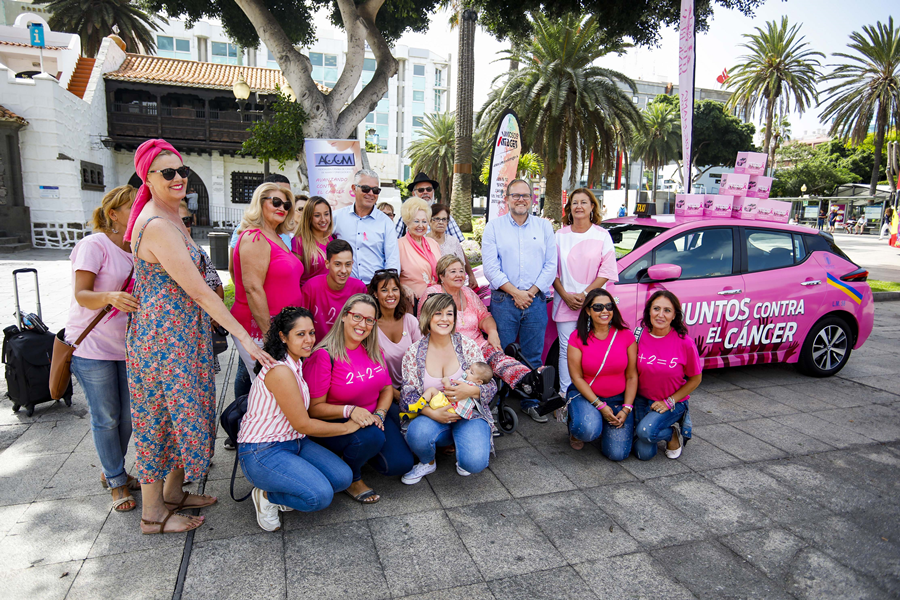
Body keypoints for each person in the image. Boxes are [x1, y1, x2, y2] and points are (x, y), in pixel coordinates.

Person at [125, 138, 274, 534]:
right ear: (148, 178)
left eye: (182, 170)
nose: (179, 178)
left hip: (184, 336)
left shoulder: (172, 215)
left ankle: (173, 493)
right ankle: (152, 514)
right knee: (160, 418)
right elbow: (199, 291)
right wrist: (244, 336)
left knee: (185, 414)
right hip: (164, 340)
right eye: (168, 173)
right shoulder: (156, 224)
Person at [238, 307, 354, 531]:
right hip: (262, 450)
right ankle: (267, 496)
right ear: (283, 336)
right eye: (300, 334)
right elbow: (303, 424)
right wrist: (348, 427)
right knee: (318, 497)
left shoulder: (296, 362)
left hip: (294, 441)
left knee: (342, 478)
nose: (309, 340)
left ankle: (287, 486)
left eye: (311, 333)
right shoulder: (280, 370)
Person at [66, 185, 139, 513]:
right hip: (92, 346)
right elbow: (82, 294)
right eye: (131, 207)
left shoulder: (137, 248)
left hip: (127, 347)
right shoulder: (93, 245)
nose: (137, 211)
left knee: (128, 418)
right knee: (107, 417)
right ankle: (116, 479)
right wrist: (109, 296)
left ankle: (114, 468)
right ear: (114, 214)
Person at [303, 294, 415, 503]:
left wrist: (380, 413)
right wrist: (350, 411)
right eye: (357, 317)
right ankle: (352, 477)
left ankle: (361, 451)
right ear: (344, 316)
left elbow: (386, 388)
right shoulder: (324, 356)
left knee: (400, 465)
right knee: (373, 437)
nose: (363, 324)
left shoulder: (372, 349)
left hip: (373, 416)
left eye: (369, 320)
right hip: (338, 420)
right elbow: (313, 409)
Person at [420, 255, 555, 406]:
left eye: (461, 271)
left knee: (498, 356)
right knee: (484, 365)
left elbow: (484, 316)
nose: (459, 275)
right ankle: (525, 383)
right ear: (441, 276)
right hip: (449, 348)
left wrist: (492, 332)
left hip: (477, 344)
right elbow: (425, 325)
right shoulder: (433, 293)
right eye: (453, 271)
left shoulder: (468, 293)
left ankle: (529, 380)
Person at [481, 178, 558, 423]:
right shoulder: (493, 228)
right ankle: (495, 402)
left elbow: (550, 266)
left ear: (532, 199)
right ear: (507, 199)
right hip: (504, 300)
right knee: (499, 353)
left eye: (525, 195)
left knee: (533, 354)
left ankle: (531, 401)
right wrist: (516, 293)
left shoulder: (544, 227)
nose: (521, 199)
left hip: (535, 301)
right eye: (516, 195)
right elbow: (491, 268)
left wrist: (531, 292)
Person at [401, 294, 498, 483]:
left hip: (469, 415)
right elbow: (407, 396)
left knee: (475, 463)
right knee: (417, 433)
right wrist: (431, 413)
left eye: (449, 314)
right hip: (434, 416)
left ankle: (465, 448)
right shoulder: (413, 352)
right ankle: (428, 462)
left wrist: (472, 391)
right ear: (427, 317)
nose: (444, 319)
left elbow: (491, 385)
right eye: (438, 313)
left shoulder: (467, 345)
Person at [229, 174, 294, 406]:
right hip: (260, 328)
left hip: (281, 326)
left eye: (286, 204)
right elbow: (252, 288)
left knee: (274, 388)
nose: (282, 207)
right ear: (260, 202)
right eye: (275, 202)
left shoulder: (277, 237)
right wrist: (269, 337)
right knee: (269, 389)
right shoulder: (255, 236)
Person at [553, 189, 619, 397]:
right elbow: (551, 270)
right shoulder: (559, 236)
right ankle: (565, 394)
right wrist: (565, 295)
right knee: (566, 351)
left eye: (584, 202)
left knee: (592, 348)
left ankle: (592, 392)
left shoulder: (602, 235)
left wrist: (585, 296)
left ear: (592, 206)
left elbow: (606, 271)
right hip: (565, 301)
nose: (579, 206)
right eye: (574, 203)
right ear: (569, 208)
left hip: (594, 304)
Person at [564, 289, 637, 459]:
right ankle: (578, 426)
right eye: (597, 307)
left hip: (619, 399)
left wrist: (627, 408)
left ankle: (603, 422)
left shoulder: (626, 335)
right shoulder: (577, 337)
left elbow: (632, 376)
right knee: (587, 430)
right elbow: (576, 377)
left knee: (617, 454)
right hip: (587, 396)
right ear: (588, 311)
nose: (604, 311)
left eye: (608, 306)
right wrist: (600, 406)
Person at [633, 290, 702, 461]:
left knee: (645, 432)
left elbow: (695, 378)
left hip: (672, 402)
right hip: (641, 400)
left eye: (667, 310)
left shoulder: (684, 342)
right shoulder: (638, 336)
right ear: (649, 311)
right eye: (656, 309)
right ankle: (651, 429)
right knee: (643, 454)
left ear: (674, 316)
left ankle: (672, 434)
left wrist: (670, 401)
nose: (660, 315)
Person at [332, 169, 399, 284]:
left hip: (374, 288)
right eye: (366, 189)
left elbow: (392, 260)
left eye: (376, 190)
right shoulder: (337, 217)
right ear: (354, 188)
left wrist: (385, 287)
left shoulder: (386, 223)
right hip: (343, 286)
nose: (371, 194)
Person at [298, 239, 368, 341]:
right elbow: (300, 324)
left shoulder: (359, 288)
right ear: (327, 264)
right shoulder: (311, 287)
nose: (343, 270)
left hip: (348, 349)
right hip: (316, 350)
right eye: (338, 264)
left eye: (348, 264)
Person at [369, 268, 421, 400]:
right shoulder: (370, 327)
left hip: (415, 388)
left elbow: (423, 357)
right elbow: (372, 373)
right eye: (384, 290)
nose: (390, 294)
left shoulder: (410, 321)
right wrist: (398, 396)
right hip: (382, 393)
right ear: (375, 294)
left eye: (395, 289)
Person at [396, 172, 465, 242]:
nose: (425, 192)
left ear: (433, 191)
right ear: (414, 193)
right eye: (421, 190)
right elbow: (395, 242)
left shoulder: (444, 215)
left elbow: (460, 243)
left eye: (428, 189)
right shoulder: (406, 217)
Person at [398, 197, 442, 301]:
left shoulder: (433, 243)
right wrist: (402, 288)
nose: (421, 226)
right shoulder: (399, 245)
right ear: (407, 223)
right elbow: (392, 277)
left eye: (424, 221)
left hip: (436, 300)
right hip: (412, 301)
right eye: (416, 221)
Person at [428, 203, 477, 289]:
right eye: (437, 219)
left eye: (444, 219)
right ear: (429, 221)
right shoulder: (424, 242)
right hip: (430, 287)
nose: (441, 222)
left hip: (453, 287)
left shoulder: (453, 241)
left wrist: (470, 276)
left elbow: (462, 266)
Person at [292, 195, 335, 286]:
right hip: (310, 296)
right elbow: (293, 276)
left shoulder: (332, 238)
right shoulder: (299, 241)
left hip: (330, 295)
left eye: (326, 214)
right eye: (317, 215)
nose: (323, 219)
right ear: (308, 217)